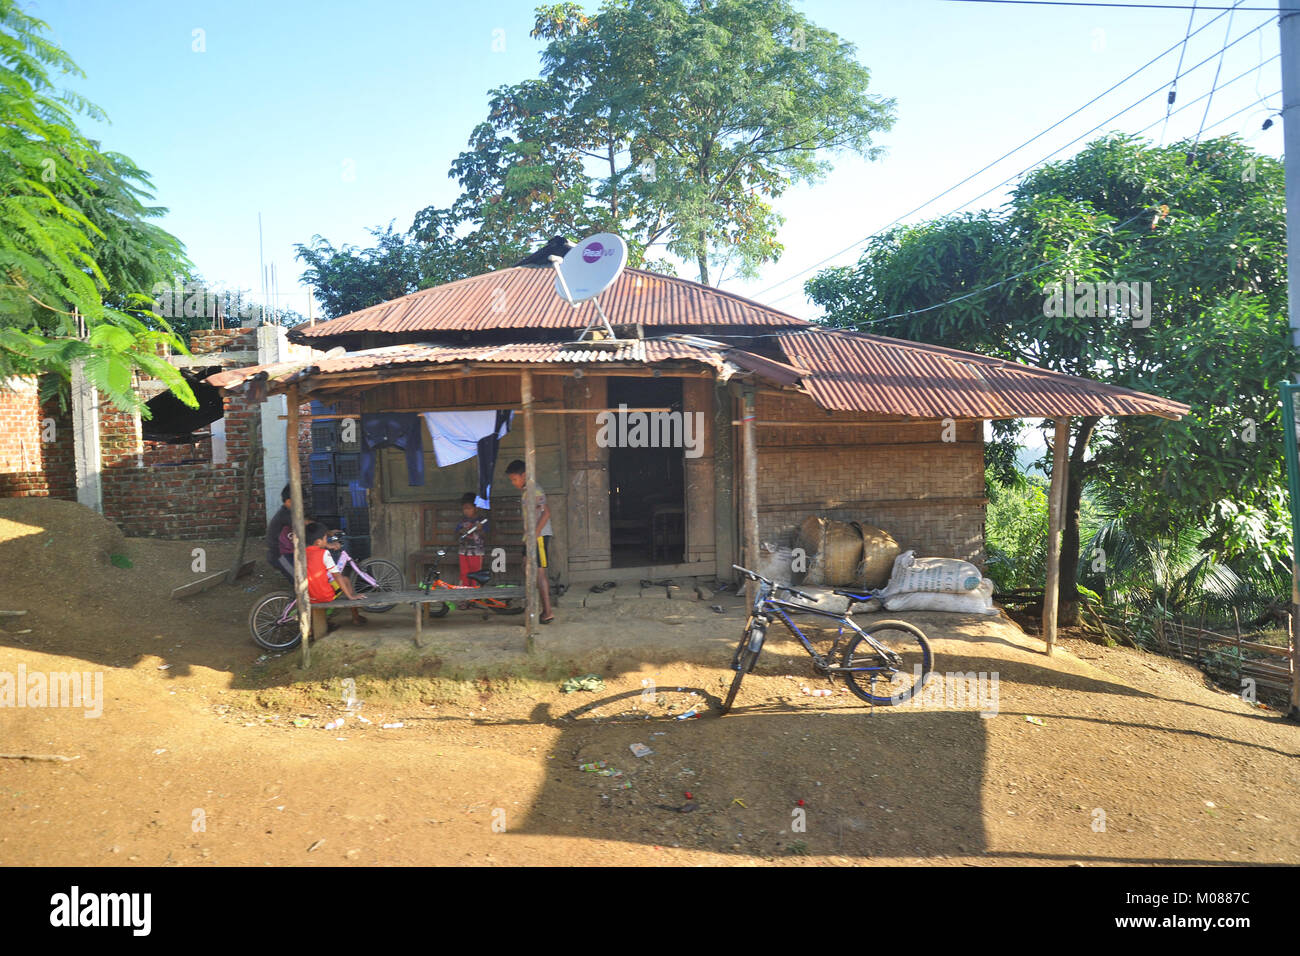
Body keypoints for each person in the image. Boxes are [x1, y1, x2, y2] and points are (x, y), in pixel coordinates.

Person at [505, 459, 554, 624]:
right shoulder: (527, 491)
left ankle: (547, 611)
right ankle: (534, 607)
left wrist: (535, 534)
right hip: (531, 537)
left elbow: (546, 513)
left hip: (538, 538)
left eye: (514, 479)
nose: (513, 483)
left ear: (524, 475)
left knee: (539, 573)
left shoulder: (535, 490)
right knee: (527, 566)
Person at [305, 522, 360, 632]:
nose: (327, 541)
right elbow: (337, 576)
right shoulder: (324, 553)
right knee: (345, 580)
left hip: (307, 594)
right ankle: (356, 618)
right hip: (322, 595)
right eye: (326, 538)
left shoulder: (302, 552)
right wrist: (350, 596)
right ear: (318, 542)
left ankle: (310, 628)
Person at [454, 492, 488, 586]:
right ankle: (465, 596)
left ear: (476, 508)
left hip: (476, 552)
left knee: (476, 574)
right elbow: (456, 534)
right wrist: (461, 531)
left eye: (469, 508)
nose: (466, 511)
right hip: (463, 552)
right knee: (464, 573)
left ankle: (475, 597)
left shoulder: (481, 521)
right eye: (464, 509)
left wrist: (480, 529)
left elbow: (487, 536)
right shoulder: (462, 521)